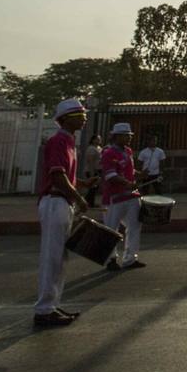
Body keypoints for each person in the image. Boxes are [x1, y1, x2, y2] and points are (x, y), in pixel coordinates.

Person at [34, 98, 96, 327]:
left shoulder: (68, 142)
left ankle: (51, 305)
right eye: (79, 114)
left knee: (59, 257)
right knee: (52, 257)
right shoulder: (59, 141)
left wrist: (83, 184)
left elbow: (65, 176)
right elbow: (57, 177)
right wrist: (79, 198)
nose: (84, 117)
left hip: (61, 201)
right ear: (66, 119)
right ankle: (43, 309)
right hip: (55, 201)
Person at [101, 122, 145, 271]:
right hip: (114, 197)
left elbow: (129, 171)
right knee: (111, 230)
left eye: (129, 135)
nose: (129, 138)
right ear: (116, 137)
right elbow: (111, 176)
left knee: (135, 226)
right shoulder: (108, 153)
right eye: (126, 135)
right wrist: (127, 183)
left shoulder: (128, 151)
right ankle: (111, 259)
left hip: (131, 195)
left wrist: (140, 175)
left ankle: (130, 259)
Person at [83, 135, 103, 207]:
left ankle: (89, 202)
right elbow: (91, 161)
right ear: (93, 140)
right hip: (92, 170)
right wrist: (92, 173)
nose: (99, 141)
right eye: (97, 139)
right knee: (92, 187)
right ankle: (87, 202)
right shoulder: (91, 149)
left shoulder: (99, 148)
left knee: (95, 187)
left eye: (99, 139)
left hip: (98, 170)